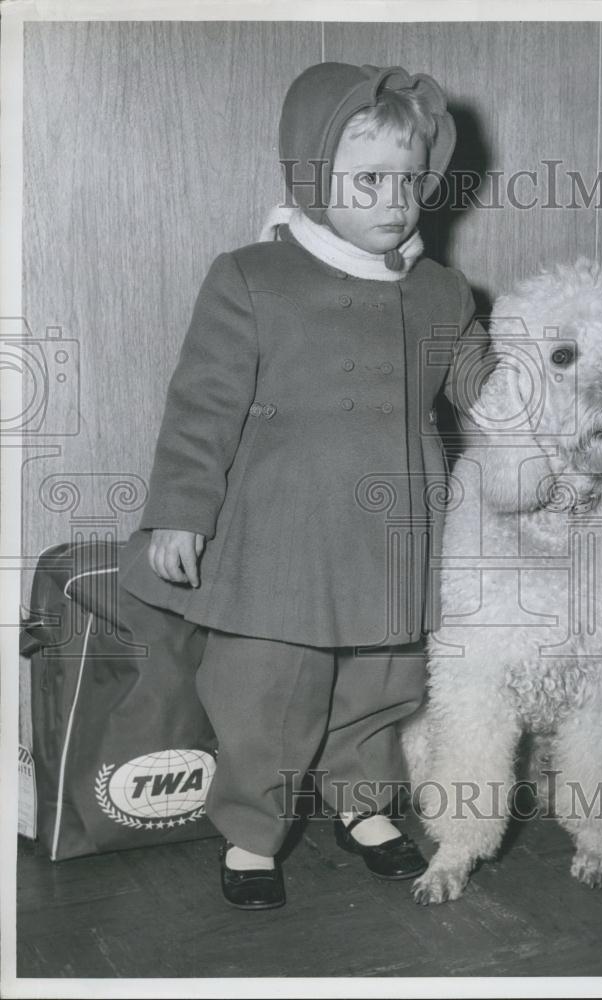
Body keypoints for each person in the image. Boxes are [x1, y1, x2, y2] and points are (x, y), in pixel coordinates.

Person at [118, 61, 489, 910]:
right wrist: (179, 512)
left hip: (394, 531)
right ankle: (253, 829)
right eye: (368, 180)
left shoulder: (438, 290)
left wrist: (551, 385)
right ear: (311, 176)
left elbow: (480, 383)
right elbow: (201, 406)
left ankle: (363, 803)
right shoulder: (253, 275)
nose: (394, 200)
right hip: (279, 537)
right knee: (265, 691)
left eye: (410, 181)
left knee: (382, 679)